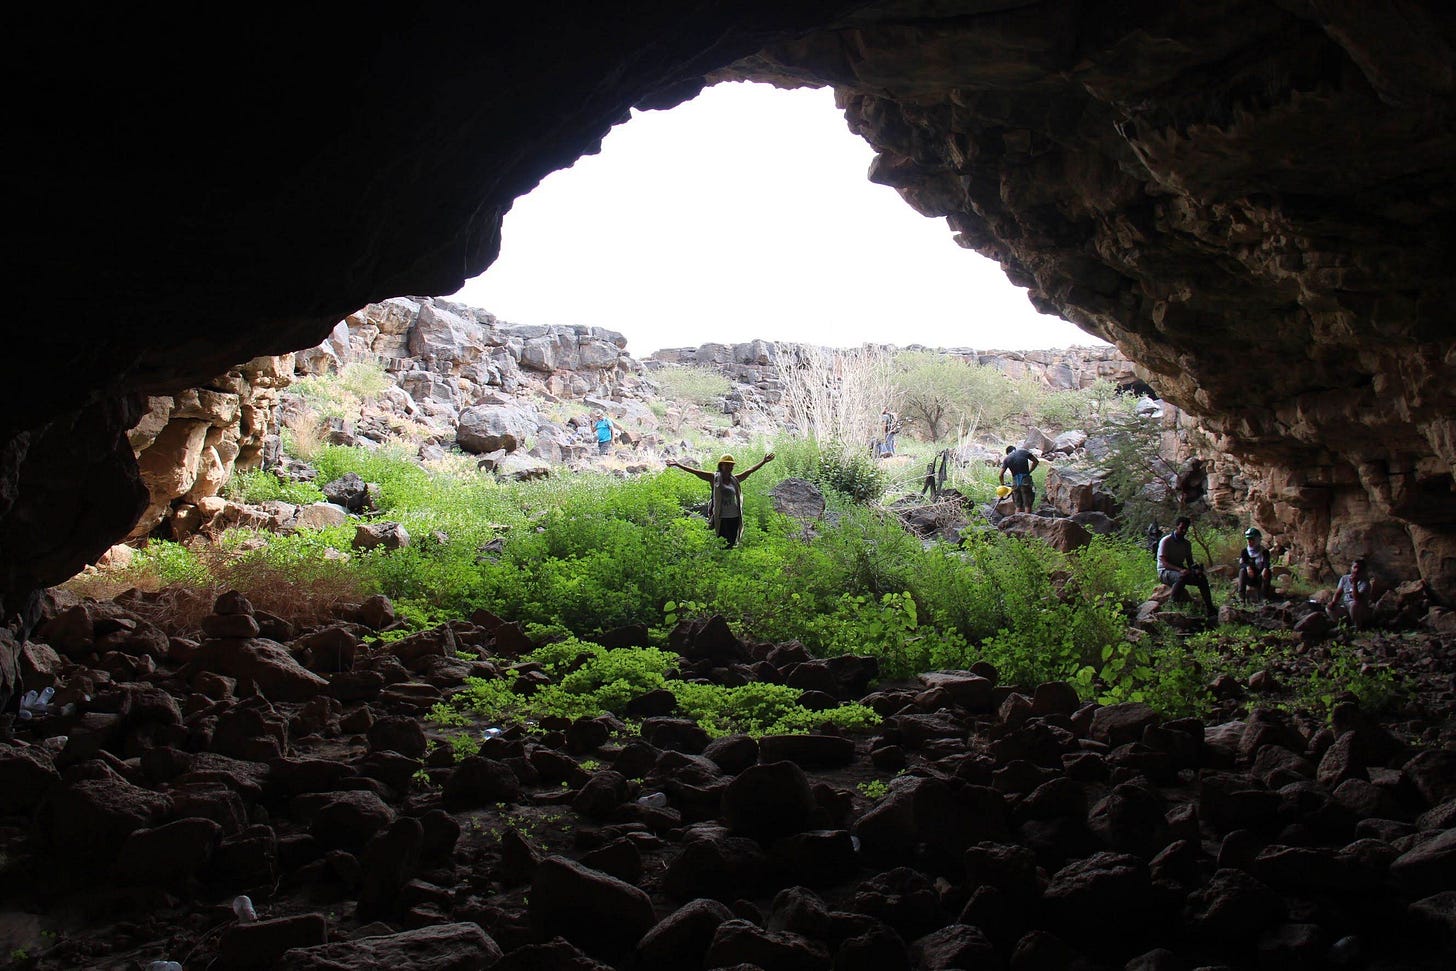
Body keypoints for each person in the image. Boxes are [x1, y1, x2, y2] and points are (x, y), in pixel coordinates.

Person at [665, 452, 775, 547]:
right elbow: (695, 471)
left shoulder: (734, 480)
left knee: (732, 542)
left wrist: (763, 461)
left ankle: (730, 564)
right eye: (726, 464)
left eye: (731, 465)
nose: (729, 467)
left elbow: (749, 471)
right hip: (721, 517)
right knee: (722, 542)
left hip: (734, 516)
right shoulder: (713, 478)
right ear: (721, 465)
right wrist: (678, 465)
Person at [1157, 515, 1216, 616]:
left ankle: (1209, 607)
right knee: (1181, 577)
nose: (1184, 531)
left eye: (1186, 529)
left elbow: (1190, 562)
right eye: (1181, 528)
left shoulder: (1186, 544)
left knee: (1201, 578)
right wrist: (1180, 570)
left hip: (1180, 570)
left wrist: (1196, 570)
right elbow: (1164, 562)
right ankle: (1172, 605)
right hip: (1165, 571)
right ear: (1176, 527)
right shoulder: (1166, 541)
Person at [1327, 557, 1373, 628]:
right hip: (1346, 607)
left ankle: (1357, 626)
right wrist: (1333, 602)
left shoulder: (1365, 583)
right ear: (1351, 568)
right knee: (1329, 608)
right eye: (1355, 567)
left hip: (1360, 610)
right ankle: (1342, 625)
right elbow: (1338, 593)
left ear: (1363, 570)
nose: (1356, 570)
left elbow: (1357, 598)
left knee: (1354, 604)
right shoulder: (1344, 578)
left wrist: (1354, 583)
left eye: (1359, 568)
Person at [999, 445, 1040, 513]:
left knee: (1018, 506)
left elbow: (1000, 475)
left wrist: (1002, 484)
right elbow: (1036, 461)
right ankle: (1028, 521)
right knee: (1027, 504)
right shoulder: (1023, 452)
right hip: (1025, 480)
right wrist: (1029, 471)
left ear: (1008, 453)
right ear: (1015, 449)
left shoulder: (1007, 459)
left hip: (1015, 483)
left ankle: (1016, 522)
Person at [1237, 527, 1274, 602]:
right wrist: (1248, 567)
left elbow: (1267, 563)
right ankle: (1241, 597)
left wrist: (1265, 569)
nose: (1250, 542)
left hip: (1260, 578)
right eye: (1248, 540)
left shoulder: (1264, 551)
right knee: (1242, 571)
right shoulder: (1244, 551)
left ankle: (1264, 597)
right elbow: (1242, 563)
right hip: (1250, 577)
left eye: (1252, 539)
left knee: (1268, 572)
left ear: (1257, 540)